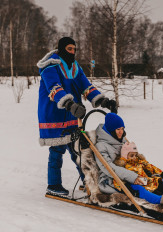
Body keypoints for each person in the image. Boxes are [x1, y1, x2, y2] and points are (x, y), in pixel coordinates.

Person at [37, 37, 117, 196]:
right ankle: (53, 185)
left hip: (74, 114)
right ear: (61, 49)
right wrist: (69, 104)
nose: (73, 52)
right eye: (69, 49)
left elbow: (85, 86)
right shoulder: (50, 66)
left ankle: (88, 182)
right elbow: (54, 88)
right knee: (57, 150)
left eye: (74, 49)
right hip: (55, 115)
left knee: (79, 151)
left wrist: (102, 100)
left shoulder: (74, 67)